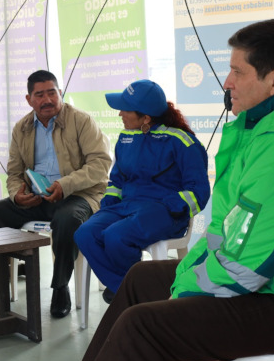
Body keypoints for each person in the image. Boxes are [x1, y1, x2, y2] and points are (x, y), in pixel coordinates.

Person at [81, 19, 274, 361]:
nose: (227, 82)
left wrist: (182, 289)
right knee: (140, 278)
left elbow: (242, 272)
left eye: (238, 71)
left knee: (142, 324)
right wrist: (186, 277)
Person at [0, 70, 112, 318]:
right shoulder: (23, 128)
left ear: (60, 94)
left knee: (67, 220)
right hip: (38, 197)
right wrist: (17, 195)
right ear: (29, 99)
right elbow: (14, 172)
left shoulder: (81, 121)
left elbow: (100, 164)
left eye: (52, 93)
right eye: (40, 95)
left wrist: (65, 185)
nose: (47, 99)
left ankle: (61, 287)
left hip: (78, 194)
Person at [74, 79, 210, 302]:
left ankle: (127, 292)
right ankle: (128, 290)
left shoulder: (183, 142)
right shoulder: (126, 138)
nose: (120, 114)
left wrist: (170, 207)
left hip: (165, 213)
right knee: (84, 233)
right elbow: (116, 181)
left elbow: (199, 192)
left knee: (115, 236)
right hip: (125, 208)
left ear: (145, 118)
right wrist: (107, 208)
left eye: (125, 110)